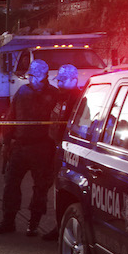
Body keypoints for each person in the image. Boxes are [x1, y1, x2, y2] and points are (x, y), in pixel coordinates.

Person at [0, 59, 59, 237]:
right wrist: (6, 142)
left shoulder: (54, 94)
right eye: (30, 75)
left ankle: (34, 224)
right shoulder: (22, 91)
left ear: (44, 75)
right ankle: (8, 221)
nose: (31, 79)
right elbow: (11, 117)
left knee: (40, 187)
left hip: (43, 147)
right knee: (11, 183)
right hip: (20, 145)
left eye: (34, 75)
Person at [41, 64, 82, 241]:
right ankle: (60, 226)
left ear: (74, 80)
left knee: (66, 190)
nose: (60, 84)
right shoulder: (59, 97)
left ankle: (63, 229)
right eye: (58, 80)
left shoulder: (80, 100)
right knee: (58, 191)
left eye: (63, 80)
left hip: (70, 150)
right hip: (56, 147)